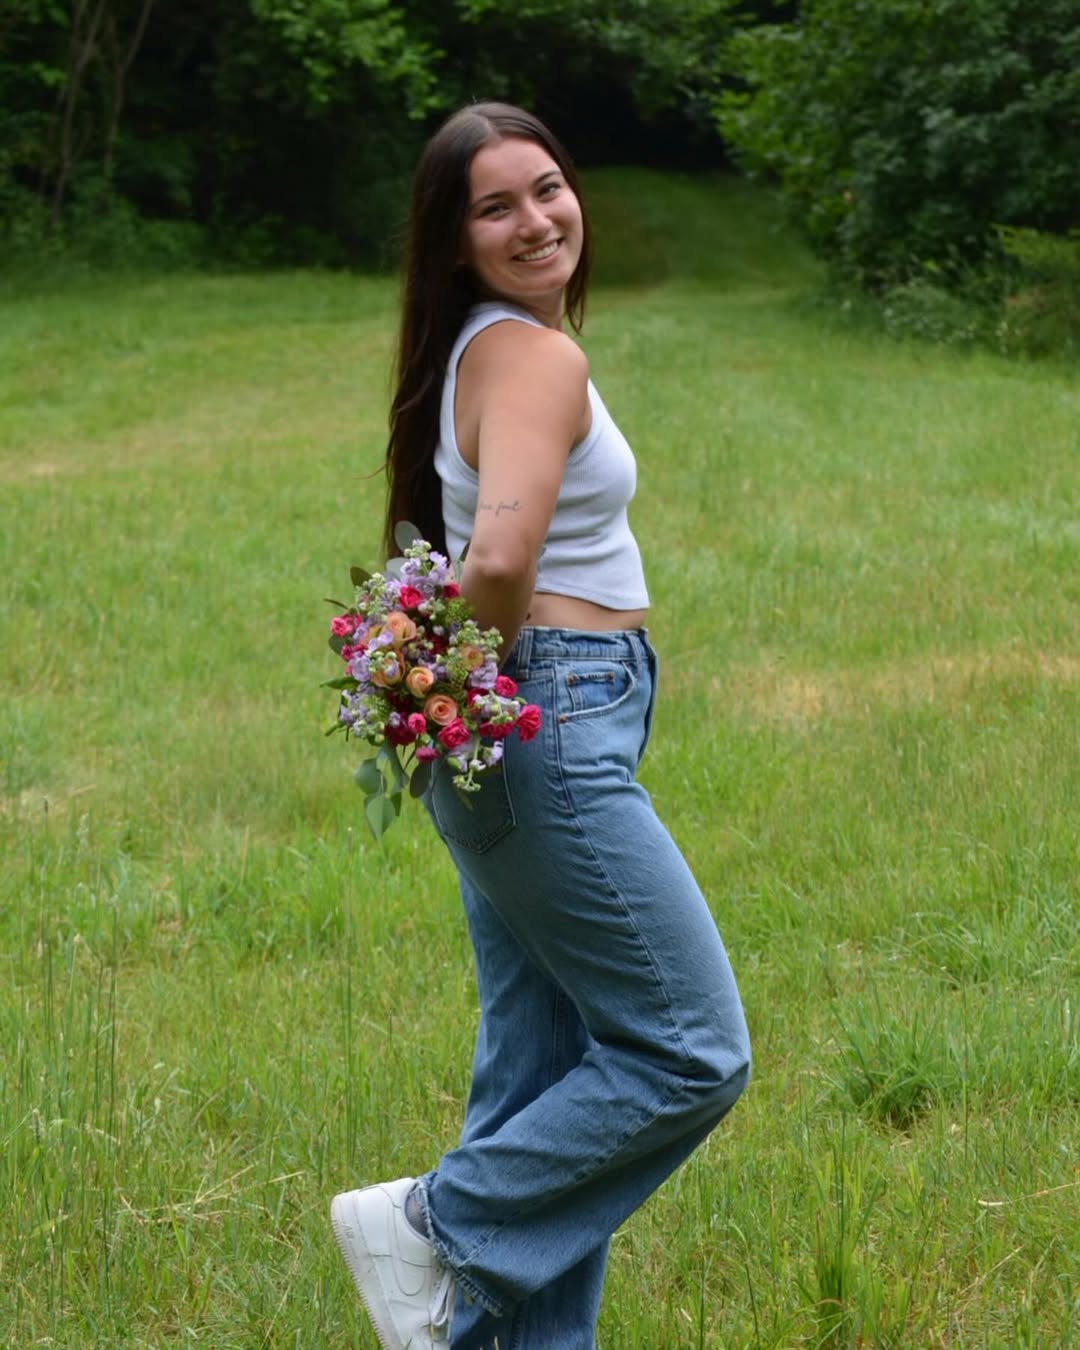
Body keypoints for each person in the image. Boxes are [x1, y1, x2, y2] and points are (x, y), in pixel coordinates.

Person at [330, 102, 751, 1350]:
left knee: (543, 1079)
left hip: (524, 719)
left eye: (549, 188)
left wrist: (436, 689)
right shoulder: (529, 355)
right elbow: (503, 556)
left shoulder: (475, 348)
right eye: (495, 206)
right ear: (454, 240)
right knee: (688, 1052)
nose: (536, 220)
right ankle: (432, 1222)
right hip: (553, 707)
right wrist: (468, 676)